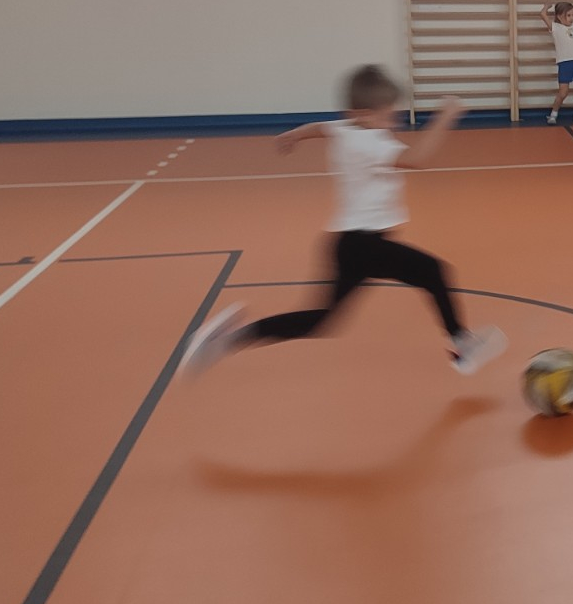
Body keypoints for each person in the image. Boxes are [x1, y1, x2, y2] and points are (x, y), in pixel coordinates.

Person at [178, 65, 506, 377]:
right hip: (365, 245)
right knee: (433, 271)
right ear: (361, 113)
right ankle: (461, 343)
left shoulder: (347, 129)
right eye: (385, 113)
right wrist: (445, 117)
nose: (392, 118)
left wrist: (295, 134)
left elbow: (322, 127)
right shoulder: (369, 143)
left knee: (320, 320)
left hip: (349, 245)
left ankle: (228, 339)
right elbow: (418, 159)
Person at [541, 1, 573, 125]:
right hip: (565, 63)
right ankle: (553, 114)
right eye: (568, 15)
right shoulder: (555, 27)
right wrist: (546, 7)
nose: (572, 18)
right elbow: (543, 14)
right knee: (563, 93)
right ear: (559, 16)